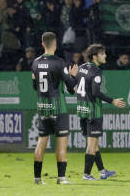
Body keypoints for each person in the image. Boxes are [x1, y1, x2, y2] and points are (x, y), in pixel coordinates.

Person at [32, 31, 79, 185]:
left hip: (42, 108)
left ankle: (37, 178)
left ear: (42, 44)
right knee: (61, 142)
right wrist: (73, 76)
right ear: (56, 45)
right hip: (58, 108)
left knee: (41, 142)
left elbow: (35, 86)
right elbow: (72, 88)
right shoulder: (59, 63)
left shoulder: (35, 63)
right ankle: (61, 177)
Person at [76, 43, 126, 180]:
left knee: (94, 144)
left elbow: (73, 88)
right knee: (91, 146)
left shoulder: (80, 68)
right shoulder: (96, 71)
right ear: (94, 56)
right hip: (93, 112)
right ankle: (86, 174)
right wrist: (113, 101)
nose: (105, 56)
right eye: (102, 53)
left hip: (82, 110)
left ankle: (103, 171)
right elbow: (96, 92)